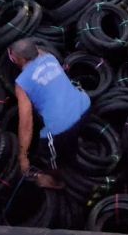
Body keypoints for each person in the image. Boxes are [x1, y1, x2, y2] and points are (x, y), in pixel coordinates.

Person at [10, 38, 91, 188]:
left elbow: (26, 122)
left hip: (60, 129)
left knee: (49, 154)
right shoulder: (49, 57)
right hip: (84, 107)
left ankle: (56, 182)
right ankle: (75, 140)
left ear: (18, 59)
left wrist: (23, 156)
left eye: (12, 55)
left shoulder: (22, 83)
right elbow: (36, 52)